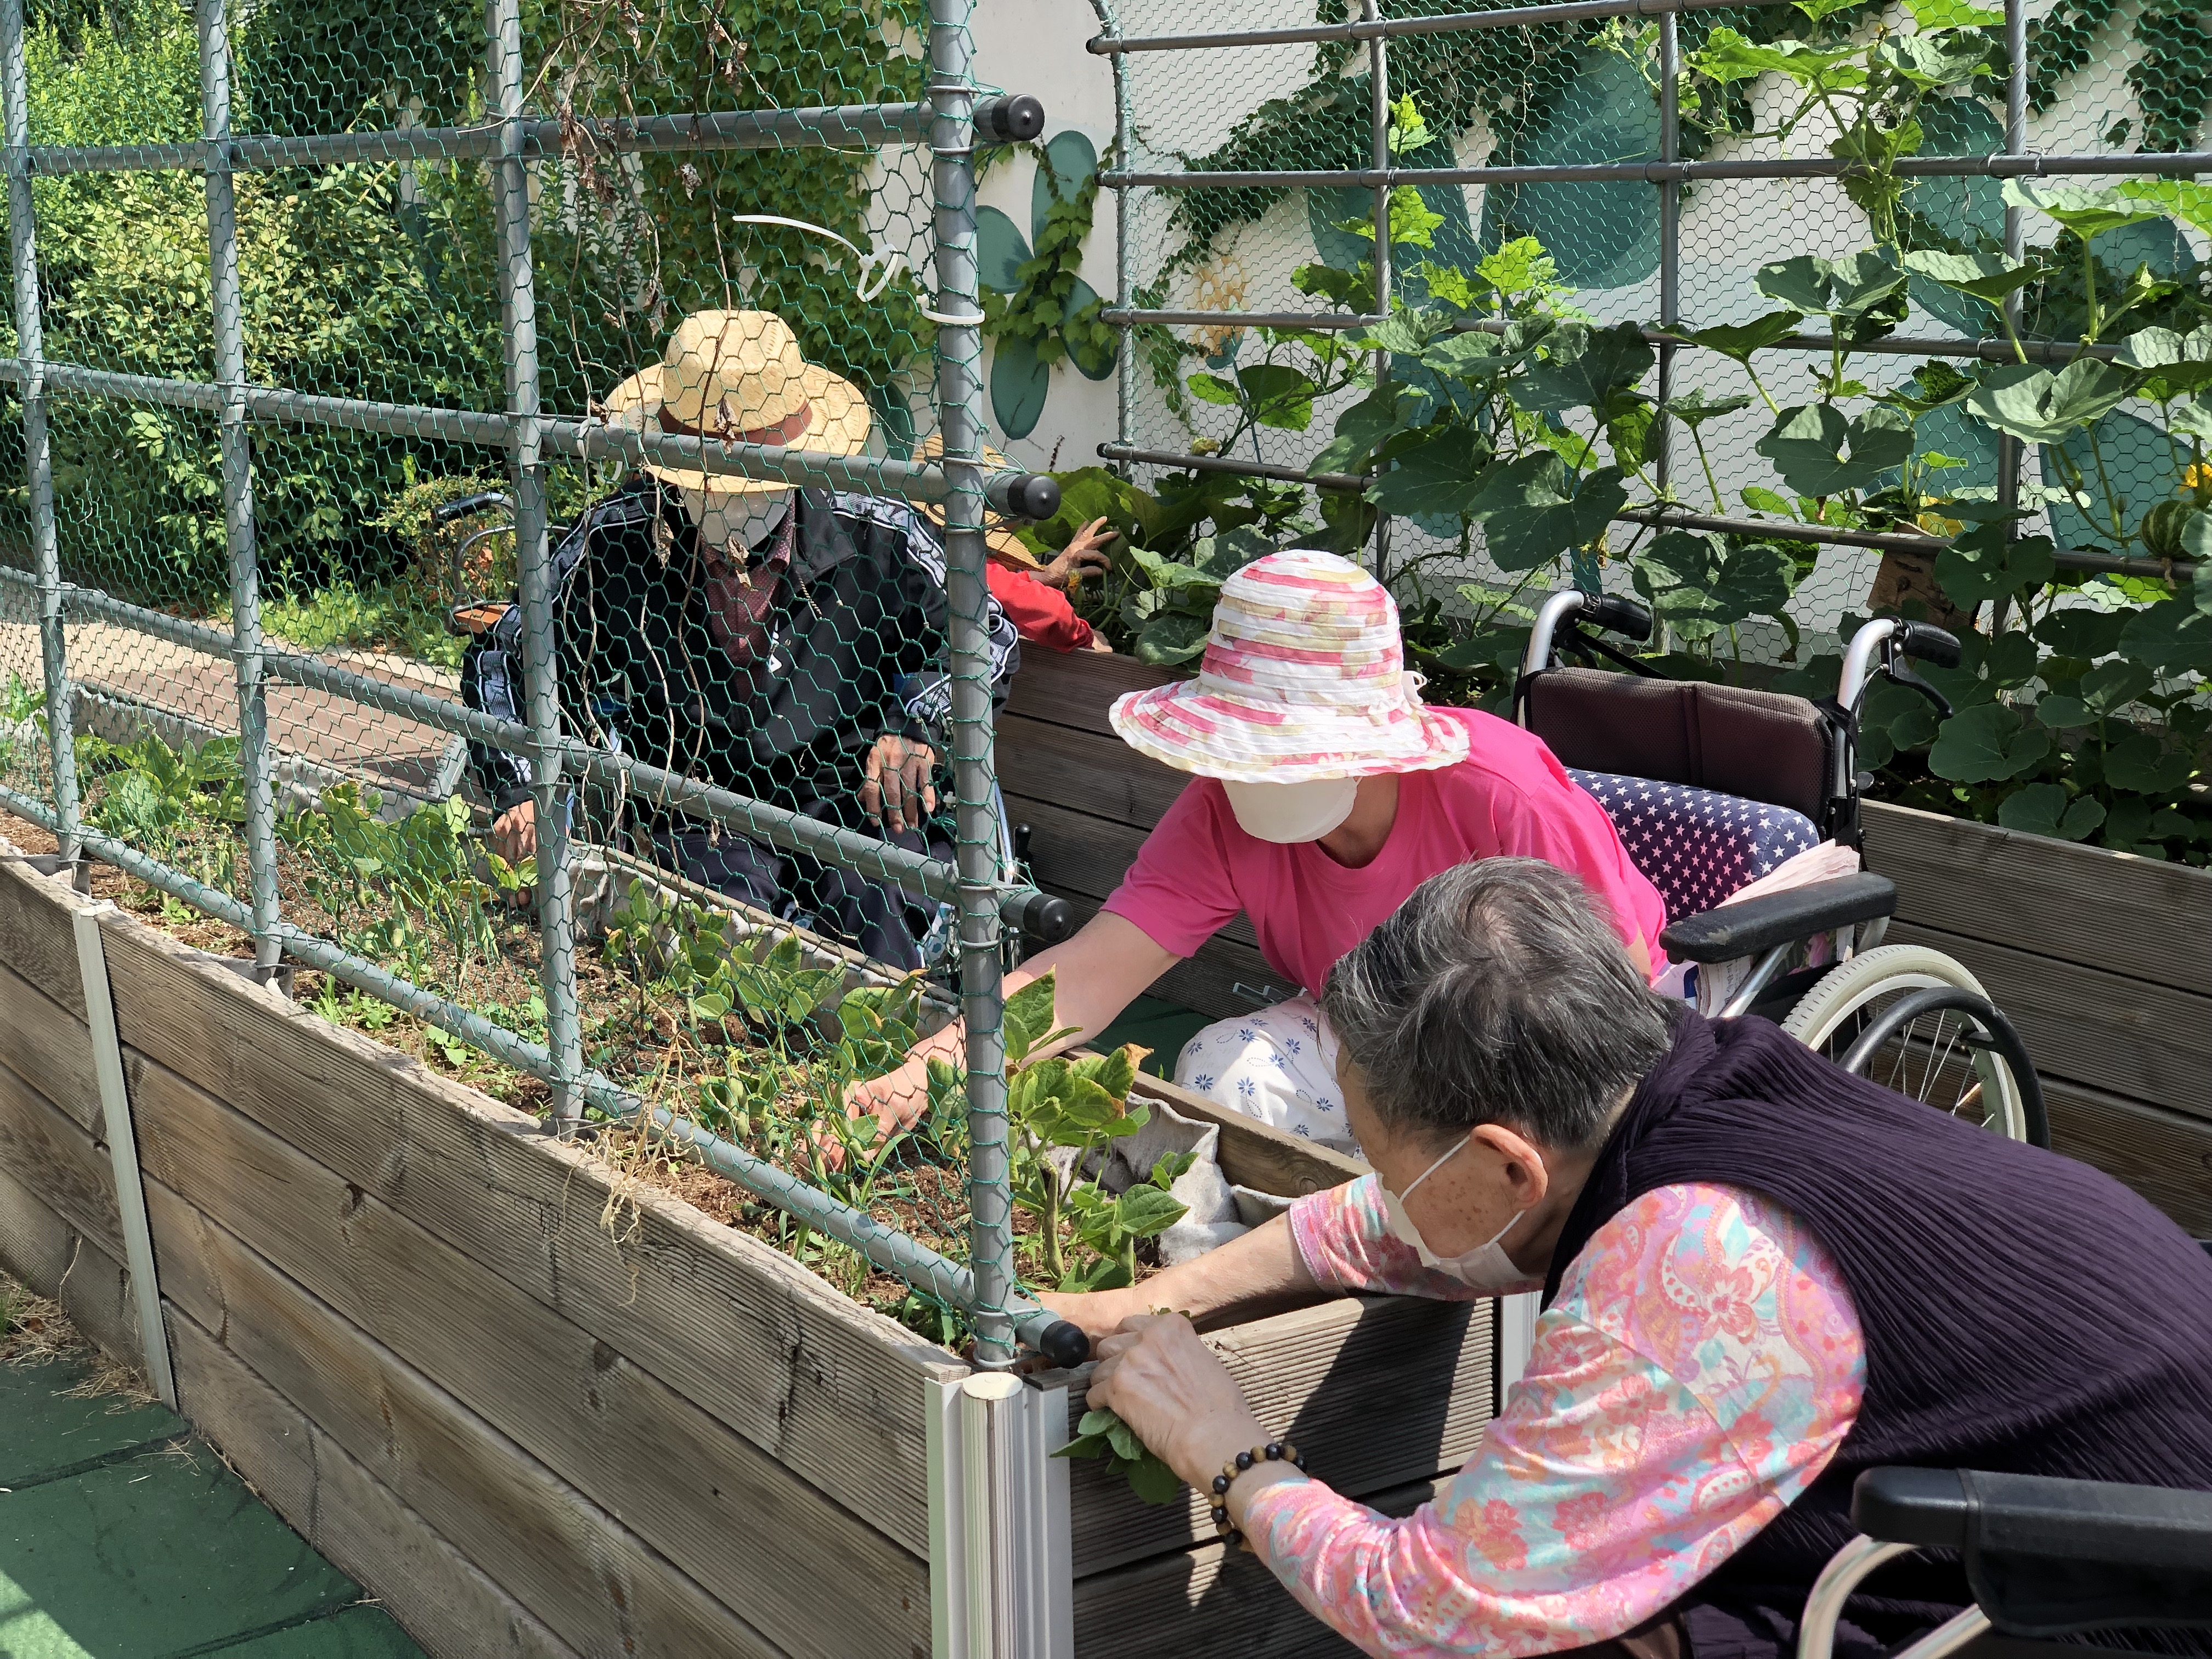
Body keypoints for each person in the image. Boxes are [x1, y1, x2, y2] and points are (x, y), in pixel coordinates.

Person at [1052, 859, 2212, 1659]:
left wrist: (1229, 1450)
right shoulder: (1696, 1075)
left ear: (1505, 1163)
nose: (1372, 1179)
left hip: (2118, 1606)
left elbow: (1434, 1608)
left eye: (1377, 1147)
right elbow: (1394, 1219)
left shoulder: (1692, 1271)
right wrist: (1153, 1296)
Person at [845, 545, 1666, 1150]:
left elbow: (1616, 987)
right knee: (1224, 1072)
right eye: (1243, 752)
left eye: (1284, 753)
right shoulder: (1222, 810)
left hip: (1538, 1038)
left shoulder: (1499, 792)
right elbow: (1090, 973)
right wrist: (932, 1068)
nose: (1252, 778)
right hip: (1372, 1025)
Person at [461, 309, 1020, 970]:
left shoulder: (880, 533)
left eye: (751, 483)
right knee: (721, 945)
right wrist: (524, 785)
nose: (727, 503)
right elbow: (506, 655)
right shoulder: (619, 538)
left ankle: (906, 1036)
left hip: (850, 798)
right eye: (702, 485)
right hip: (698, 803)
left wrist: (917, 728)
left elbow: (988, 638)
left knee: (881, 927)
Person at [907, 433, 1118, 654]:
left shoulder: (901, 537)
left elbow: (995, 584)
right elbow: (1051, 612)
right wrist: (1087, 638)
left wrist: (1046, 575)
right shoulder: (948, 559)